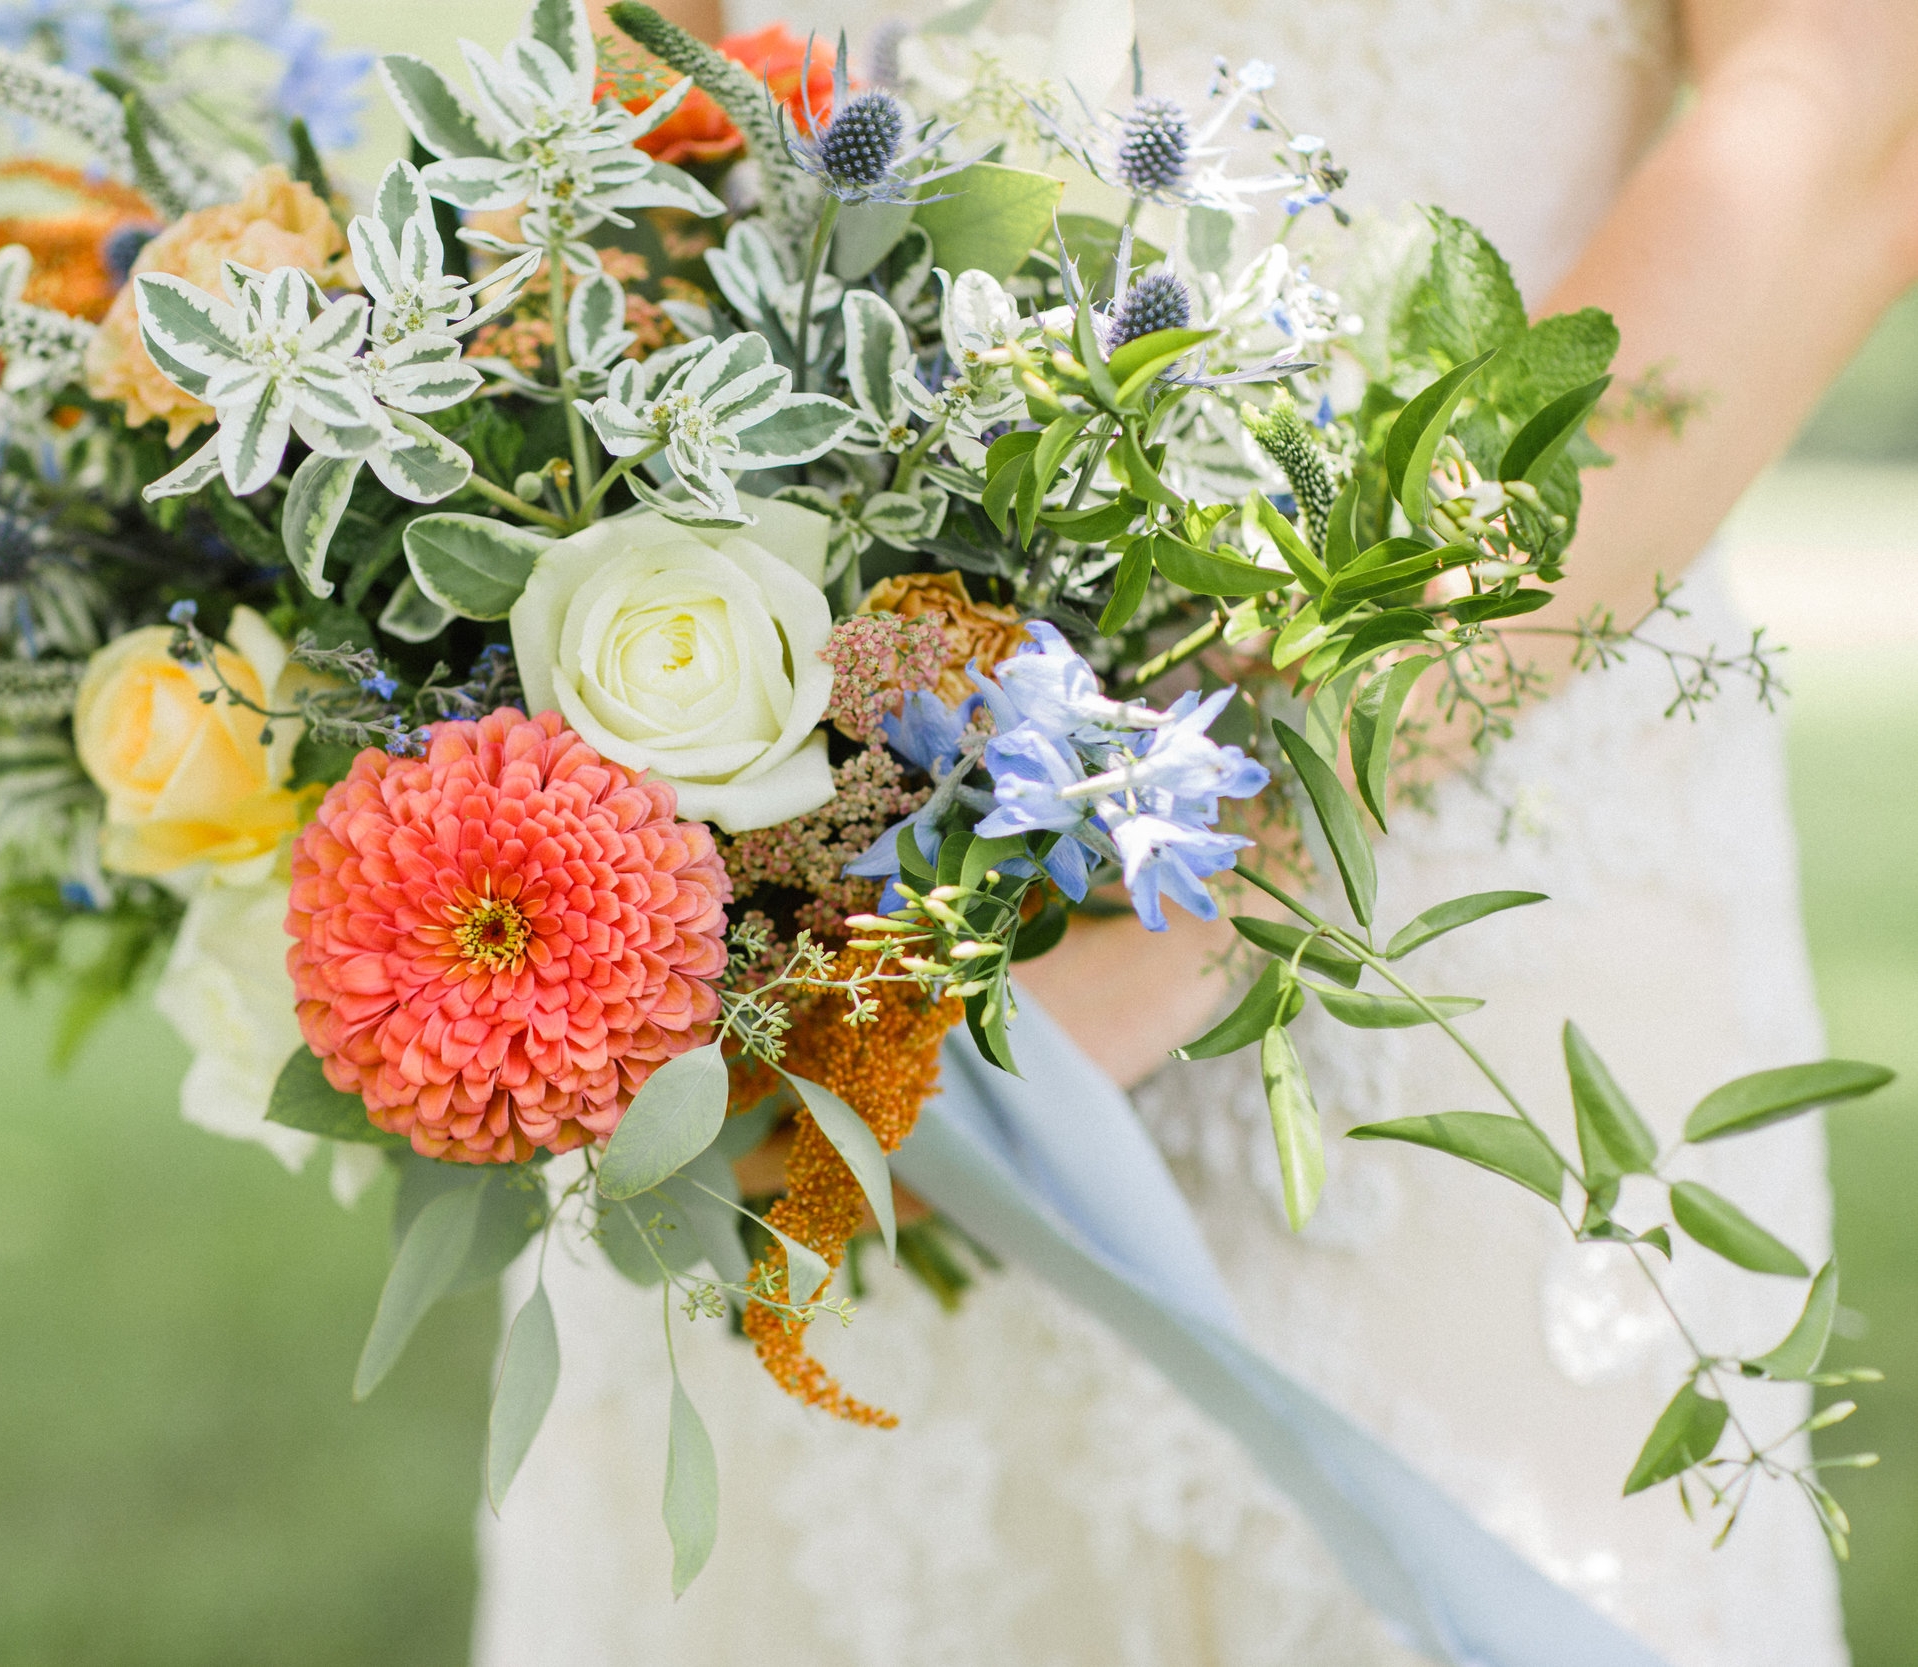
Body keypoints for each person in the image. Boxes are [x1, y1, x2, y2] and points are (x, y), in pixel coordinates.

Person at [478, 1, 1918, 1660]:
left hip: (1452, 880)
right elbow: (647, 104)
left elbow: (1836, 126)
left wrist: (1240, 819)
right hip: (800, 911)